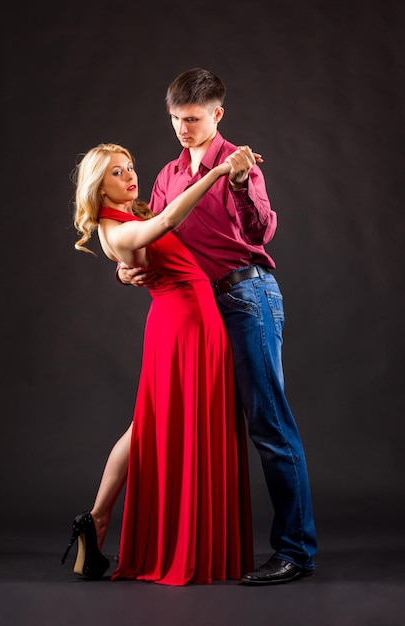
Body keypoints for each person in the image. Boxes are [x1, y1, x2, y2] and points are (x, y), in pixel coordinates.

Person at [117, 68, 318, 585]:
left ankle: (296, 551)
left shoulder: (241, 164)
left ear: (217, 114)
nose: (183, 128)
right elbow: (158, 236)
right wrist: (127, 263)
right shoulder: (166, 175)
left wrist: (242, 182)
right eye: (175, 120)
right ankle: (200, 546)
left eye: (192, 119)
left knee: (267, 423)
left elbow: (262, 231)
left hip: (246, 296)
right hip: (196, 310)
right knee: (200, 427)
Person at [61, 141, 257, 585]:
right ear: (98, 186)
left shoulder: (130, 217)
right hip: (182, 327)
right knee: (156, 424)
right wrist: (218, 171)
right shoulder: (116, 229)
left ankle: (96, 521)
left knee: (150, 424)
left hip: (196, 322)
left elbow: (163, 242)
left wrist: (124, 270)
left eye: (130, 167)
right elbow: (169, 221)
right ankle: (101, 519)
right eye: (116, 172)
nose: (130, 176)